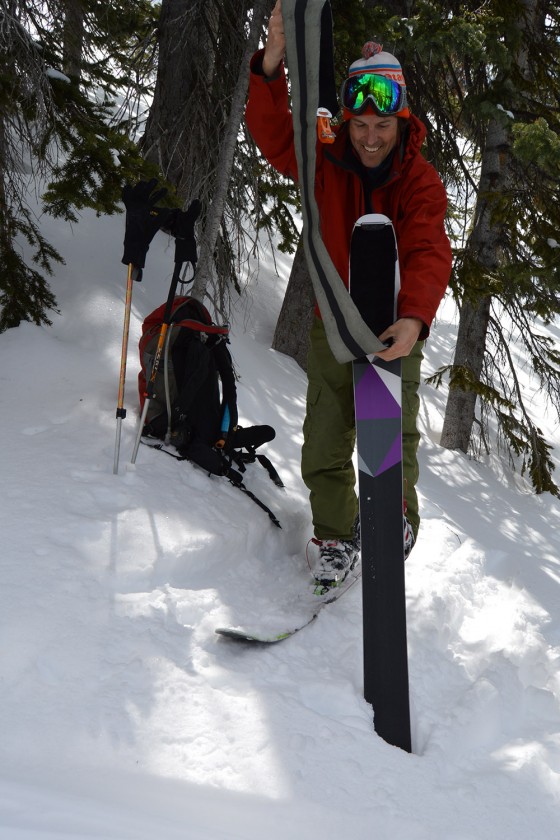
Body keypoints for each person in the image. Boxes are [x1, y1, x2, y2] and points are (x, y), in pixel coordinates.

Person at [246, 0, 452, 592]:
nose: (368, 138)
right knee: (328, 433)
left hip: (392, 326)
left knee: (393, 434)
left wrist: (414, 316)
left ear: (402, 122)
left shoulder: (418, 179)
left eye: (382, 126)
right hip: (333, 320)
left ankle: (395, 518)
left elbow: (427, 249)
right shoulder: (324, 157)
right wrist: (271, 66)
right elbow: (272, 135)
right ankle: (335, 536)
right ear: (347, 121)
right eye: (360, 125)